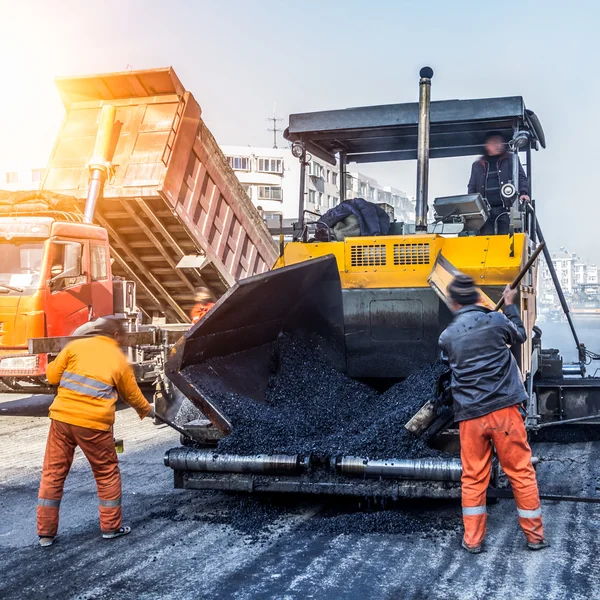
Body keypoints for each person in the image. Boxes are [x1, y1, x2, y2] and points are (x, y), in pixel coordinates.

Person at [438, 274, 548, 554]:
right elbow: (520, 336)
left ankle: (473, 541)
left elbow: (448, 366)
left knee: (473, 477)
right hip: (504, 412)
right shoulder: (497, 321)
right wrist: (509, 305)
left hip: (470, 416)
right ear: (477, 298)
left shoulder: (447, 337)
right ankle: (535, 538)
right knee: (520, 472)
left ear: (453, 303)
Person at [37, 316, 154, 547]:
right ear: (116, 336)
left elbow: (51, 376)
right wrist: (148, 411)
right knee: (106, 473)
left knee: (53, 473)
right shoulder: (118, 359)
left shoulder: (76, 346)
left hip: (61, 419)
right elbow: (132, 395)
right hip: (94, 425)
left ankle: (45, 535)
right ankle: (111, 528)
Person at [468, 131, 530, 235]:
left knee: (506, 237)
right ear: (487, 145)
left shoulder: (511, 159)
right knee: (485, 240)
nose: (498, 145)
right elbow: (472, 186)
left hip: (506, 209)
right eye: (495, 142)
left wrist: (523, 193)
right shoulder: (477, 164)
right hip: (484, 211)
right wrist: (471, 205)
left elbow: (521, 178)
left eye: (500, 142)